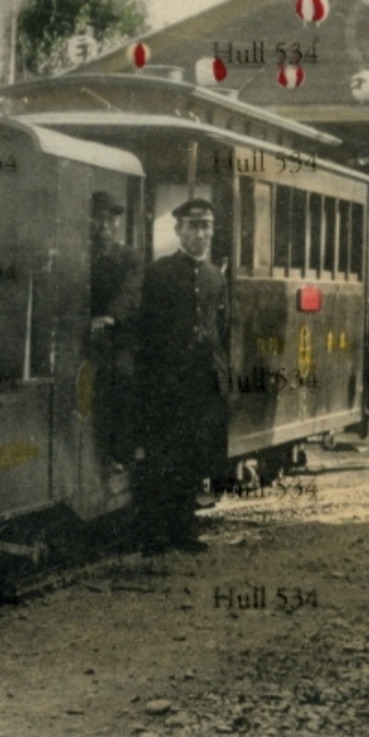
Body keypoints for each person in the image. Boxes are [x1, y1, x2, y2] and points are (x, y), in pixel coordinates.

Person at [134, 199, 229, 554]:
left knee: (192, 457)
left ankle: (183, 529)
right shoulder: (158, 274)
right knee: (162, 457)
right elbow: (146, 331)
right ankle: (154, 534)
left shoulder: (215, 277)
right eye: (193, 226)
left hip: (200, 384)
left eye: (206, 226)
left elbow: (221, 329)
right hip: (165, 383)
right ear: (178, 231)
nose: (201, 234)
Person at [88, 191, 143, 471]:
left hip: (118, 339)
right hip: (84, 335)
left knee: (121, 377)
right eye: (98, 219)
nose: (104, 226)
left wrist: (110, 316)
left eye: (111, 220)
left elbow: (130, 292)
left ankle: (119, 453)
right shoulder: (79, 256)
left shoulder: (129, 257)